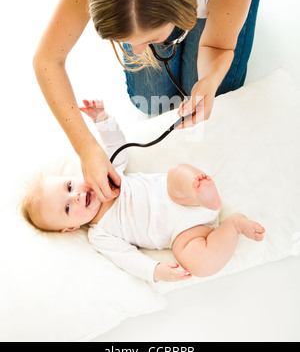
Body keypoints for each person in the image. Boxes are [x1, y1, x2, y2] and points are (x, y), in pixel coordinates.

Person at [33, 0, 266, 204]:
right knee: (150, 99)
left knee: (220, 96)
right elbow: (47, 59)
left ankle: (219, 14)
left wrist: (209, 81)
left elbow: (219, 45)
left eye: (151, 37)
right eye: (127, 39)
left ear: (185, 11)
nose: (137, 50)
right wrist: (87, 148)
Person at [21, 99, 265, 283]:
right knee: (199, 265)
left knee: (176, 175)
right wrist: (156, 271)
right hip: (184, 234)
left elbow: (117, 147)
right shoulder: (100, 235)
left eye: (69, 186)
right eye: (67, 207)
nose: (75, 196)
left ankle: (200, 189)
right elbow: (128, 259)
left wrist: (102, 119)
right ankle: (232, 226)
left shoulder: (103, 176)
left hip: (179, 197)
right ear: (71, 228)